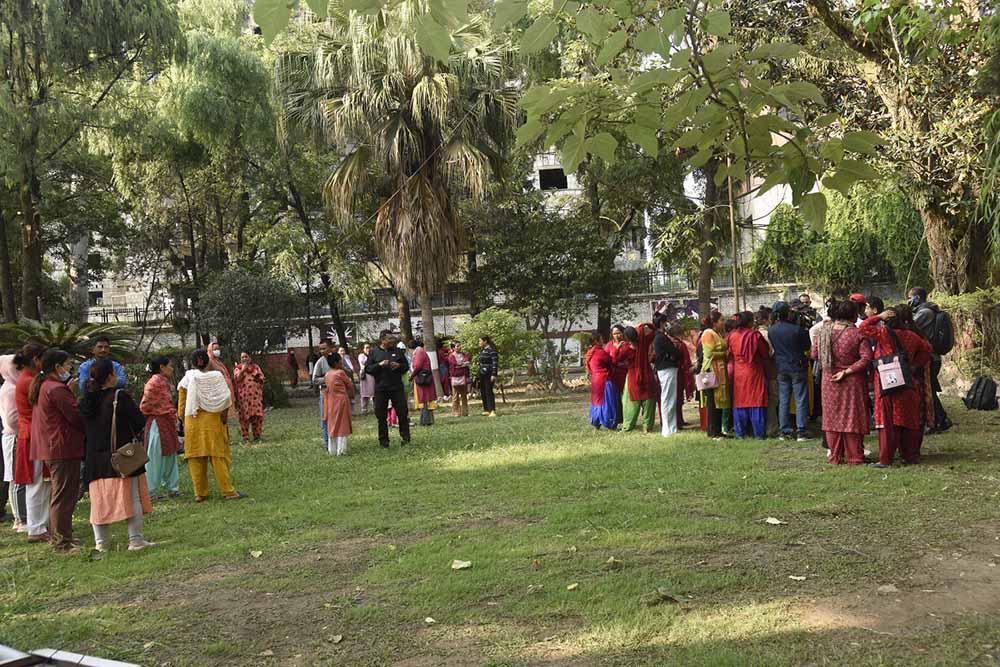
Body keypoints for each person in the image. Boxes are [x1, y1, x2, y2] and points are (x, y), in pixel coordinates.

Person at [80, 359, 155, 552]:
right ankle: (136, 540)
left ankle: (101, 543)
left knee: (98, 501)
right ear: (110, 376)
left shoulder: (87, 400)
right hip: (122, 454)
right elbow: (139, 421)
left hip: (94, 458)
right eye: (114, 372)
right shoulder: (119, 397)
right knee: (133, 497)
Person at [860, 306, 934, 467]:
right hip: (908, 381)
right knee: (909, 419)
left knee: (887, 421)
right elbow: (927, 350)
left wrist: (878, 316)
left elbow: (863, 328)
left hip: (887, 381)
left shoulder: (883, 334)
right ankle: (910, 456)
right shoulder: (912, 336)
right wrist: (915, 365)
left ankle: (886, 459)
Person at [29, 349, 84, 551]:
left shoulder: (48, 386)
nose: (70, 368)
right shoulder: (55, 389)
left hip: (56, 447)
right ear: (57, 366)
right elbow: (75, 416)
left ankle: (62, 536)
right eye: (68, 364)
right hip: (62, 448)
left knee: (62, 493)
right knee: (63, 495)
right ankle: (62, 542)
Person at [178, 350, 246, 501]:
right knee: (218, 458)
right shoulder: (217, 376)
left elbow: (182, 405)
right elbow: (226, 398)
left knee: (195, 458)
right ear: (208, 362)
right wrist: (223, 416)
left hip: (192, 421)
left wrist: (182, 420)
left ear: (192, 363)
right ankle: (228, 492)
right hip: (213, 422)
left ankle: (200, 494)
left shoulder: (187, 378)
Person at [812, 300, 874, 465]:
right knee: (852, 417)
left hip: (829, 379)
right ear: (853, 315)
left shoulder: (823, 333)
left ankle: (835, 456)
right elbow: (866, 358)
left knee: (831, 418)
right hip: (852, 381)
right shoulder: (857, 334)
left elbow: (814, 354)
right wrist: (846, 371)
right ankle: (855, 456)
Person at [14, 344, 49, 543]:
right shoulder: (29, 380)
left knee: (41, 484)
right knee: (36, 484)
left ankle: (40, 525)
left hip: (34, 435)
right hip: (31, 437)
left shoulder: (28, 378)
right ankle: (36, 528)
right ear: (37, 359)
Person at [910, 287, 953, 433]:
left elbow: (909, 326)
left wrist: (906, 312)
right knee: (931, 390)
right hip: (933, 356)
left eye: (910, 297)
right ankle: (940, 419)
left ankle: (941, 419)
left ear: (917, 298)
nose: (909, 300)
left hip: (930, 357)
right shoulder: (928, 310)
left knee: (929, 391)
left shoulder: (924, 313)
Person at [768, 301, 813, 442]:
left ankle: (784, 430)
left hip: (781, 367)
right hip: (797, 366)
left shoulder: (772, 330)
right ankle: (801, 430)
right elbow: (807, 345)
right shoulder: (797, 330)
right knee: (800, 399)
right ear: (788, 313)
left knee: (784, 400)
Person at [140, 356, 181, 498]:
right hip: (157, 423)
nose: (172, 368)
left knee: (169, 455)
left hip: (166, 421)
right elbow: (145, 405)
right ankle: (149, 491)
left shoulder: (161, 381)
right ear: (162, 367)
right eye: (170, 365)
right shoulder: (156, 382)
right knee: (154, 457)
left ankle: (172, 487)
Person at [365, 330, 411, 448]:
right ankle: (384, 441)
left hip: (396, 388)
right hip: (381, 389)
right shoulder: (374, 352)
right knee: (381, 416)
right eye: (389, 339)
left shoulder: (397, 351)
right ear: (382, 340)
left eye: (393, 339)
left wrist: (398, 366)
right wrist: (379, 365)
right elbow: (368, 369)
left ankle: (405, 438)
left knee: (402, 413)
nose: (392, 341)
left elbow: (406, 367)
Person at [728, 312, 769, 439]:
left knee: (740, 400)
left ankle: (740, 432)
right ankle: (758, 433)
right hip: (753, 369)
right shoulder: (755, 336)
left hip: (739, 371)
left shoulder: (732, 335)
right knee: (756, 399)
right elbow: (765, 353)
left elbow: (729, 353)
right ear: (751, 322)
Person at [1, 354, 26, 532]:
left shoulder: (16, 386)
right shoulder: (9, 389)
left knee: (19, 477)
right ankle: (20, 519)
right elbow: (12, 419)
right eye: (17, 368)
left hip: (20, 435)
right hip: (15, 436)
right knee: (16, 478)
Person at [698, 313, 730, 440]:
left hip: (720, 370)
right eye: (721, 320)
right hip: (711, 371)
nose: (724, 322)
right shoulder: (708, 333)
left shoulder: (717, 333)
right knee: (712, 402)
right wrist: (724, 354)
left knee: (719, 401)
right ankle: (712, 431)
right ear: (715, 322)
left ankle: (718, 430)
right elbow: (709, 353)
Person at [621, 324, 657, 433]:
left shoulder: (626, 349)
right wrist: (643, 325)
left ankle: (628, 426)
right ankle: (647, 426)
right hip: (647, 374)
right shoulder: (644, 343)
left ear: (626, 337)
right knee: (649, 402)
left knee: (631, 404)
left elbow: (616, 359)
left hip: (633, 377)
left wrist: (618, 348)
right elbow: (653, 331)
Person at [653, 315, 681, 437]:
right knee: (667, 398)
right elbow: (675, 352)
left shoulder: (660, 337)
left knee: (670, 398)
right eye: (666, 322)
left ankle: (672, 427)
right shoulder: (661, 338)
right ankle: (667, 428)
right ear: (662, 323)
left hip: (667, 368)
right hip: (666, 368)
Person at [323, 351, 355, 456]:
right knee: (342, 425)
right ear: (337, 363)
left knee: (332, 424)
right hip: (341, 401)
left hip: (331, 401)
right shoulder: (340, 373)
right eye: (340, 361)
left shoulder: (327, 374)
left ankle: (332, 450)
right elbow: (350, 385)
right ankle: (341, 450)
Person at [585, 334, 618, 429]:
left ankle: (595, 420)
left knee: (597, 401)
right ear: (596, 341)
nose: (602, 341)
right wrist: (617, 349)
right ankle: (609, 421)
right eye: (601, 339)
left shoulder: (590, 353)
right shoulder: (600, 352)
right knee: (608, 401)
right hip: (604, 379)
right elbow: (612, 361)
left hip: (595, 379)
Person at [234, 352, 266, 443]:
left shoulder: (256, 367)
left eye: (246, 356)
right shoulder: (238, 368)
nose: (244, 358)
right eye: (242, 357)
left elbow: (262, 378)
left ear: (249, 358)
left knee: (257, 417)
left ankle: (257, 436)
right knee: (244, 418)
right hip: (244, 398)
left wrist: (258, 379)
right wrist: (243, 370)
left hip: (256, 398)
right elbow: (237, 379)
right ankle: (246, 437)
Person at [605, 325, 634, 427]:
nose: (616, 336)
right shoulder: (609, 345)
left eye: (618, 333)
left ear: (623, 333)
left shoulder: (628, 345)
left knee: (627, 399)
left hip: (626, 374)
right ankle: (617, 419)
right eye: (614, 334)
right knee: (615, 400)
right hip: (613, 376)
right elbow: (608, 360)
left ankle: (628, 420)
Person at [669, 323, 695, 429]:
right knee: (678, 397)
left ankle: (679, 419)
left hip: (676, 371)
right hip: (679, 372)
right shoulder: (679, 344)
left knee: (678, 397)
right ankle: (678, 421)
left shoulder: (672, 343)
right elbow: (685, 359)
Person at [409, 340, 438, 426]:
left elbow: (417, 366)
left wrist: (411, 376)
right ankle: (426, 420)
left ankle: (426, 420)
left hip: (423, 379)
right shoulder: (420, 351)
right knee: (425, 400)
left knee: (424, 400)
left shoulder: (419, 352)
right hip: (424, 379)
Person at [311, 339, 334, 449]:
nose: (322, 351)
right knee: (325, 419)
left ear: (330, 348)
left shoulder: (337, 359)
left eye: (324, 348)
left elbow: (346, 371)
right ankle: (326, 443)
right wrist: (327, 379)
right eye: (320, 349)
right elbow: (314, 380)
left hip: (337, 394)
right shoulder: (320, 362)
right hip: (325, 394)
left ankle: (335, 441)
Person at [448, 341, 471, 417]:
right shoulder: (451, 356)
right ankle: (455, 412)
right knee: (455, 396)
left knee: (464, 395)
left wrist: (461, 365)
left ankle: (465, 412)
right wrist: (462, 364)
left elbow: (467, 361)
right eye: (457, 346)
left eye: (460, 346)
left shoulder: (464, 354)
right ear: (453, 348)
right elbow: (455, 364)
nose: (459, 347)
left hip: (463, 377)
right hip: (455, 378)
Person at [478, 336, 499, 417]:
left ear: (485, 341)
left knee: (489, 391)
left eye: (480, 341)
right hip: (482, 373)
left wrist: (494, 374)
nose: (479, 343)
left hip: (489, 373)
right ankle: (486, 409)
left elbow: (495, 362)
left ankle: (492, 410)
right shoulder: (482, 350)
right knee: (483, 391)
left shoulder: (491, 350)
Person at [338, 346, 359, 416]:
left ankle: (352, 411)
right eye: (341, 351)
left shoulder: (347, 358)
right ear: (338, 352)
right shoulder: (338, 360)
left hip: (349, 377)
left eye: (343, 350)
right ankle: (345, 412)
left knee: (351, 394)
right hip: (343, 379)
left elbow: (351, 368)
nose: (342, 352)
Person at [357, 343, 376, 415]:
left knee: (373, 393)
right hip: (364, 375)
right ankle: (364, 409)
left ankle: (375, 407)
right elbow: (365, 363)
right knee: (364, 394)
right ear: (363, 349)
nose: (368, 349)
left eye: (369, 347)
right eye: (366, 348)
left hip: (372, 375)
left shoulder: (372, 355)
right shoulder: (361, 356)